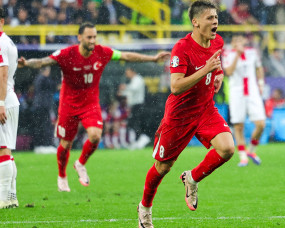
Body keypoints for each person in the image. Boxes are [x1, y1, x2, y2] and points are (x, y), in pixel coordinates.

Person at [17, 22, 170, 192]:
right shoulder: (67, 54)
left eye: (95, 37)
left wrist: (153, 58)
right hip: (68, 105)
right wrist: (27, 63)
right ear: (79, 37)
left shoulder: (102, 52)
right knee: (65, 144)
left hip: (90, 104)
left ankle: (80, 163)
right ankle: (62, 175)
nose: (93, 40)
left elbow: (126, 56)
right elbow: (43, 61)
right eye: (89, 37)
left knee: (96, 136)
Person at [137, 1, 235, 227]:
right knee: (162, 168)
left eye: (216, 17)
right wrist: (206, 70)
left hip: (205, 109)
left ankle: (192, 178)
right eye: (210, 18)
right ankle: (145, 208)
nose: (215, 22)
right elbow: (175, 86)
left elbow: (215, 66)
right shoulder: (182, 48)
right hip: (179, 115)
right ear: (196, 22)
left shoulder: (217, 41)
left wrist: (218, 74)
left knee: (228, 148)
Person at [222, 33, 266, 167]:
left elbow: (259, 68)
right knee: (238, 126)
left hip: (252, 92)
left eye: (240, 40)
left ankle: (251, 151)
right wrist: (237, 55)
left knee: (261, 124)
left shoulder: (253, 53)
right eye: (235, 40)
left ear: (245, 41)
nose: (238, 43)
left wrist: (261, 83)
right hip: (237, 92)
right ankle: (243, 158)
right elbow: (228, 72)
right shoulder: (227, 54)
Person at [0, 7, 19, 209]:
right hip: (9, 98)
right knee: (7, 150)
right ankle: (11, 197)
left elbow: (3, 73)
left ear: (2, 21)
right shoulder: (8, 42)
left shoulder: (0, 42)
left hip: (4, 101)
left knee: (2, 149)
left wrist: (0, 104)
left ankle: (4, 198)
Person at [119, 67, 150, 150]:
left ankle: (140, 140)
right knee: (133, 123)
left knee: (136, 123)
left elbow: (134, 89)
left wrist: (125, 87)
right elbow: (130, 91)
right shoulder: (133, 81)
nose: (126, 74)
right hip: (134, 105)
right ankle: (138, 140)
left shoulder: (138, 79)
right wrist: (122, 92)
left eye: (127, 72)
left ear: (132, 72)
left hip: (138, 105)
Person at [32, 66, 57, 154]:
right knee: (45, 125)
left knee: (40, 125)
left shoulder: (38, 79)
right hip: (43, 106)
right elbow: (53, 86)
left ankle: (40, 145)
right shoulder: (44, 79)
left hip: (39, 105)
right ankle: (45, 145)